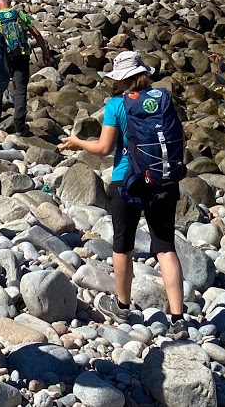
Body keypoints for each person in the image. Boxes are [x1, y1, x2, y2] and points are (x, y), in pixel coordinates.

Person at [59, 51, 188, 336]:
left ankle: (122, 305)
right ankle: (178, 319)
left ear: (120, 79)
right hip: (163, 180)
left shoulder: (116, 105)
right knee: (165, 247)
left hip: (127, 181)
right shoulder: (162, 100)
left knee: (123, 246)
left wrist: (78, 142)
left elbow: (104, 148)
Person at [0, 0, 52, 136]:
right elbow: (36, 33)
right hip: (21, 55)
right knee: (20, 91)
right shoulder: (19, 15)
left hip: (4, 58)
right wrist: (45, 52)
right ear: (10, 1)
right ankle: (20, 126)